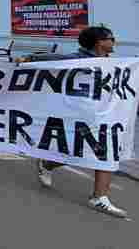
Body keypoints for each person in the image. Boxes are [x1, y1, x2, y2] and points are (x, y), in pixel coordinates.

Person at [17, 26, 127, 218]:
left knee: (106, 152)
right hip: (77, 116)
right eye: (111, 38)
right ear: (99, 42)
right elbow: (54, 59)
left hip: (104, 117)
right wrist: (29, 60)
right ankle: (48, 163)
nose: (114, 42)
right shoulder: (77, 59)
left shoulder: (113, 63)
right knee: (73, 151)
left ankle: (100, 198)